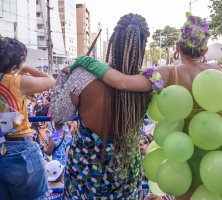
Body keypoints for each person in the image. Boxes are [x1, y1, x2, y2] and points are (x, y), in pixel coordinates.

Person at [71, 12, 222, 199]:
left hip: (183, 158)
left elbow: (123, 82)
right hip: (220, 156)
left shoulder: (167, 73)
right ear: (204, 52)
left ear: (177, 47)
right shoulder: (219, 70)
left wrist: (86, 62)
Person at [53, 13, 150, 199]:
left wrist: (63, 77)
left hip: (85, 169)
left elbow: (59, 116)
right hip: (125, 168)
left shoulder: (83, 75)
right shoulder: (148, 82)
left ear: (115, 41)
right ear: (142, 46)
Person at [0, 37, 55, 199]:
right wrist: (25, 68)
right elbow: (50, 80)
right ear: (15, 66)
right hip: (20, 150)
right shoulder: (16, 82)